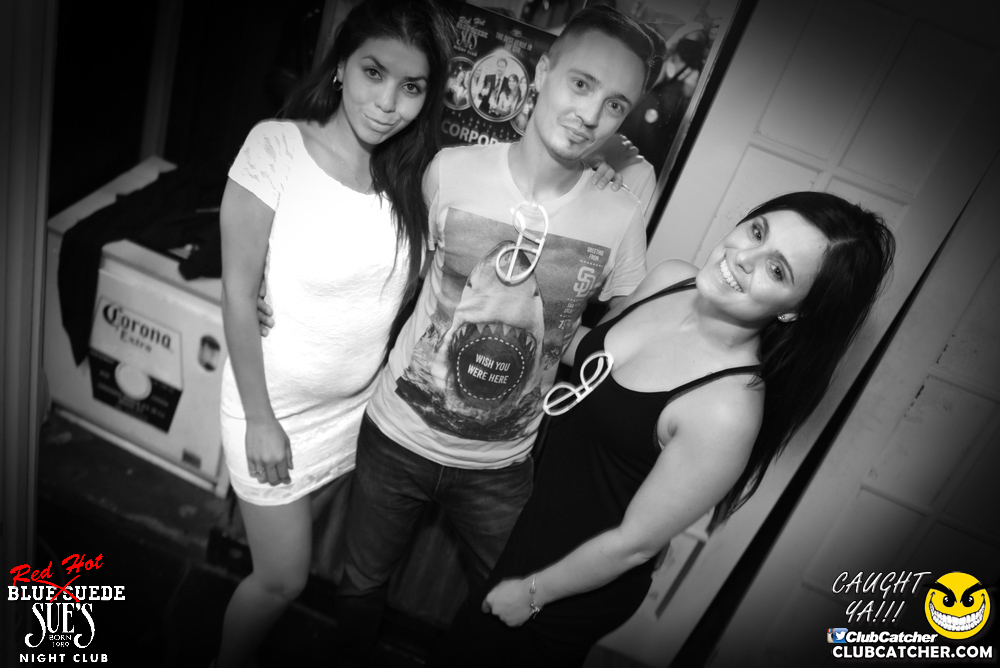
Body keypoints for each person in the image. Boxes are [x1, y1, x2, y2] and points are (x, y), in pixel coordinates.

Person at [430, 191, 896, 667]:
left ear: (795, 310)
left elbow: (635, 545)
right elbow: (590, 358)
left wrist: (532, 594)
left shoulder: (725, 409)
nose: (744, 258)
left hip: (568, 585)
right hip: (531, 528)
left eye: (777, 270)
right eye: (757, 232)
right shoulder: (671, 279)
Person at [333, 5, 655, 662]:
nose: (591, 115)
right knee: (359, 587)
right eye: (582, 84)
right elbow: (391, 274)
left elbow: (623, 338)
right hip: (397, 436)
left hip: (503, 467)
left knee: (513, 610)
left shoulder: (619, 216)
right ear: (543, 72)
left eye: (615, 105)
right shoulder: (451, 170)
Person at [213, 1, 455, 666]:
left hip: (359, 413)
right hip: (273, 409)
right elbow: (236, 290)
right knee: (280, 579)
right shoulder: (276, 147)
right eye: (374, 72)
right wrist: (260, 419)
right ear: (342, 65)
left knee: (344, 562)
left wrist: (611, 172)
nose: (388, 103)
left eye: (411, 87)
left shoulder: (414, 174)